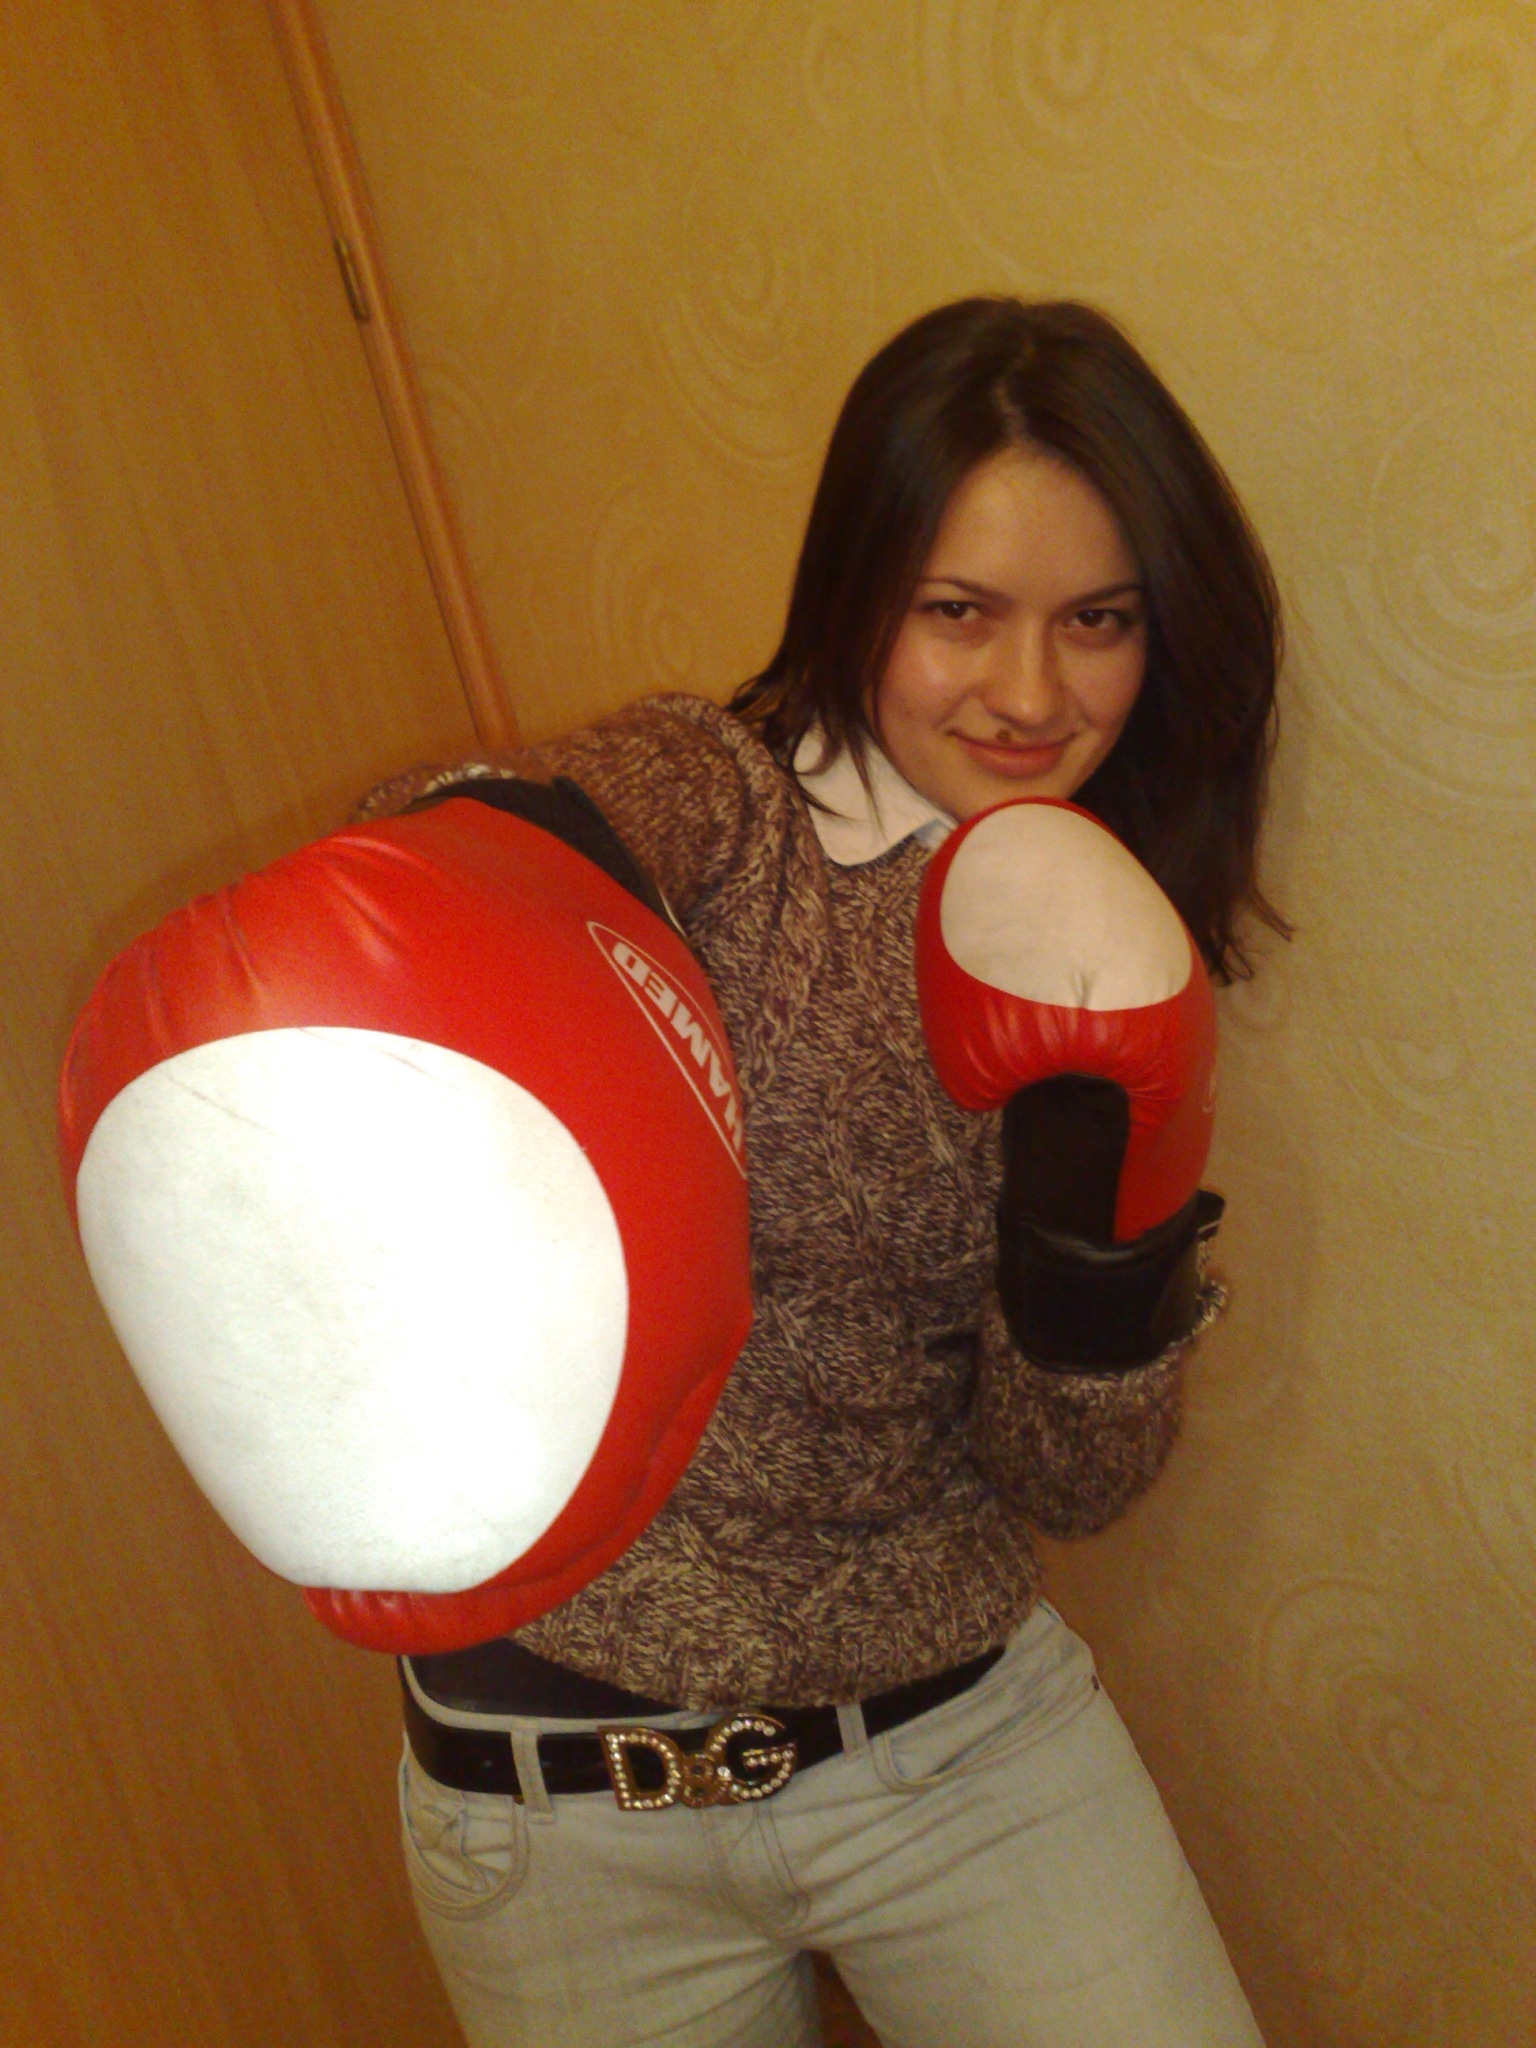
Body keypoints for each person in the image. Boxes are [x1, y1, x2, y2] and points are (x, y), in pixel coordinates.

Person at [369, 296, 1285, 2048]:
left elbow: (1073, 1480)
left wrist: (1104, 1206)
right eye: (959, 611)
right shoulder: (717, 800)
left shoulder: (1111, 915)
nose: (1032, 693)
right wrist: (484, 865)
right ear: (860, 589)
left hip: (952, 1747)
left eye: (1099, 621)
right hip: (560, 1801)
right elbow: (437, 865)